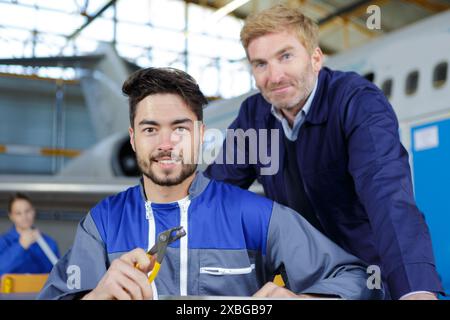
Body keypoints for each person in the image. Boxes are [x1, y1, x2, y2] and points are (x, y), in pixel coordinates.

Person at [38, 67, 383, 300]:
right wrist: (96, 296)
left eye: (180, 128)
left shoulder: (254, 216)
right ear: (132, 138)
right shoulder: (102, 224)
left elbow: (358, 278)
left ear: (201, 134)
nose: (166, 143)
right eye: (150, 129)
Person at [205, 4, 444, 300]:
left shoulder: (356, 102)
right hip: (303, 279)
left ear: (316, 58)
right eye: (260, 64)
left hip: (367, 278)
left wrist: (415, 290)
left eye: (286, 56)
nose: (274, 76)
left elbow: (387, 195)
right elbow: (213, 197)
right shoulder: (255, 117)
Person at [0, 193, 60, 276]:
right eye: (18, 213)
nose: (24, 216)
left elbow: (57, 275)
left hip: (40, 289)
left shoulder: (49, 242)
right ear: (11, 216)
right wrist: (20, 246)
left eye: (27, 211)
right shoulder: (3, 242)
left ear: (33, 211)